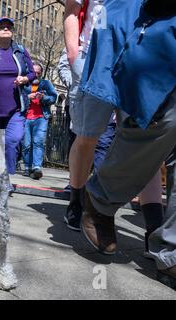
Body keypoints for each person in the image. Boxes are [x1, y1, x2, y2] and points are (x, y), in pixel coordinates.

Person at [75, 0, 175, 287]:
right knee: (155, 121)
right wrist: (75, 58)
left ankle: (170, 247)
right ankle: (97, 198)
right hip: (138, 31)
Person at [63, 0, 111, 230]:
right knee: (86, 137)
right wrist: (75, 57)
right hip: (90, 60)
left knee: (137, 138)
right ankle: (76, 202)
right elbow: (72, 10)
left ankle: (153, 226)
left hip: (131, 62)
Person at [0, 17, 35, 194]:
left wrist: (25, 78)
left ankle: (4, 176)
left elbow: (32, 72)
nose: (6, 29)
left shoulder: (20, 51)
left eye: (9, 27)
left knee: (13, 140)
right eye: (2, 26)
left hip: (15, 107)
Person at [21, 63, 57, 180]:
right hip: (26, 117)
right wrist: (28, 97)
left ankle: (37, 167)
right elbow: (17, 98)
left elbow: (53, 97)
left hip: (41, 117)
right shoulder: (25, 84)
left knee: (38, 142)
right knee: (26, 144)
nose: (36, 74)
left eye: (38, 72)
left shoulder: (45, 84)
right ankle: (27, 167)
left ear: (41, 73)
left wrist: (43, 98)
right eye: (34, 72)